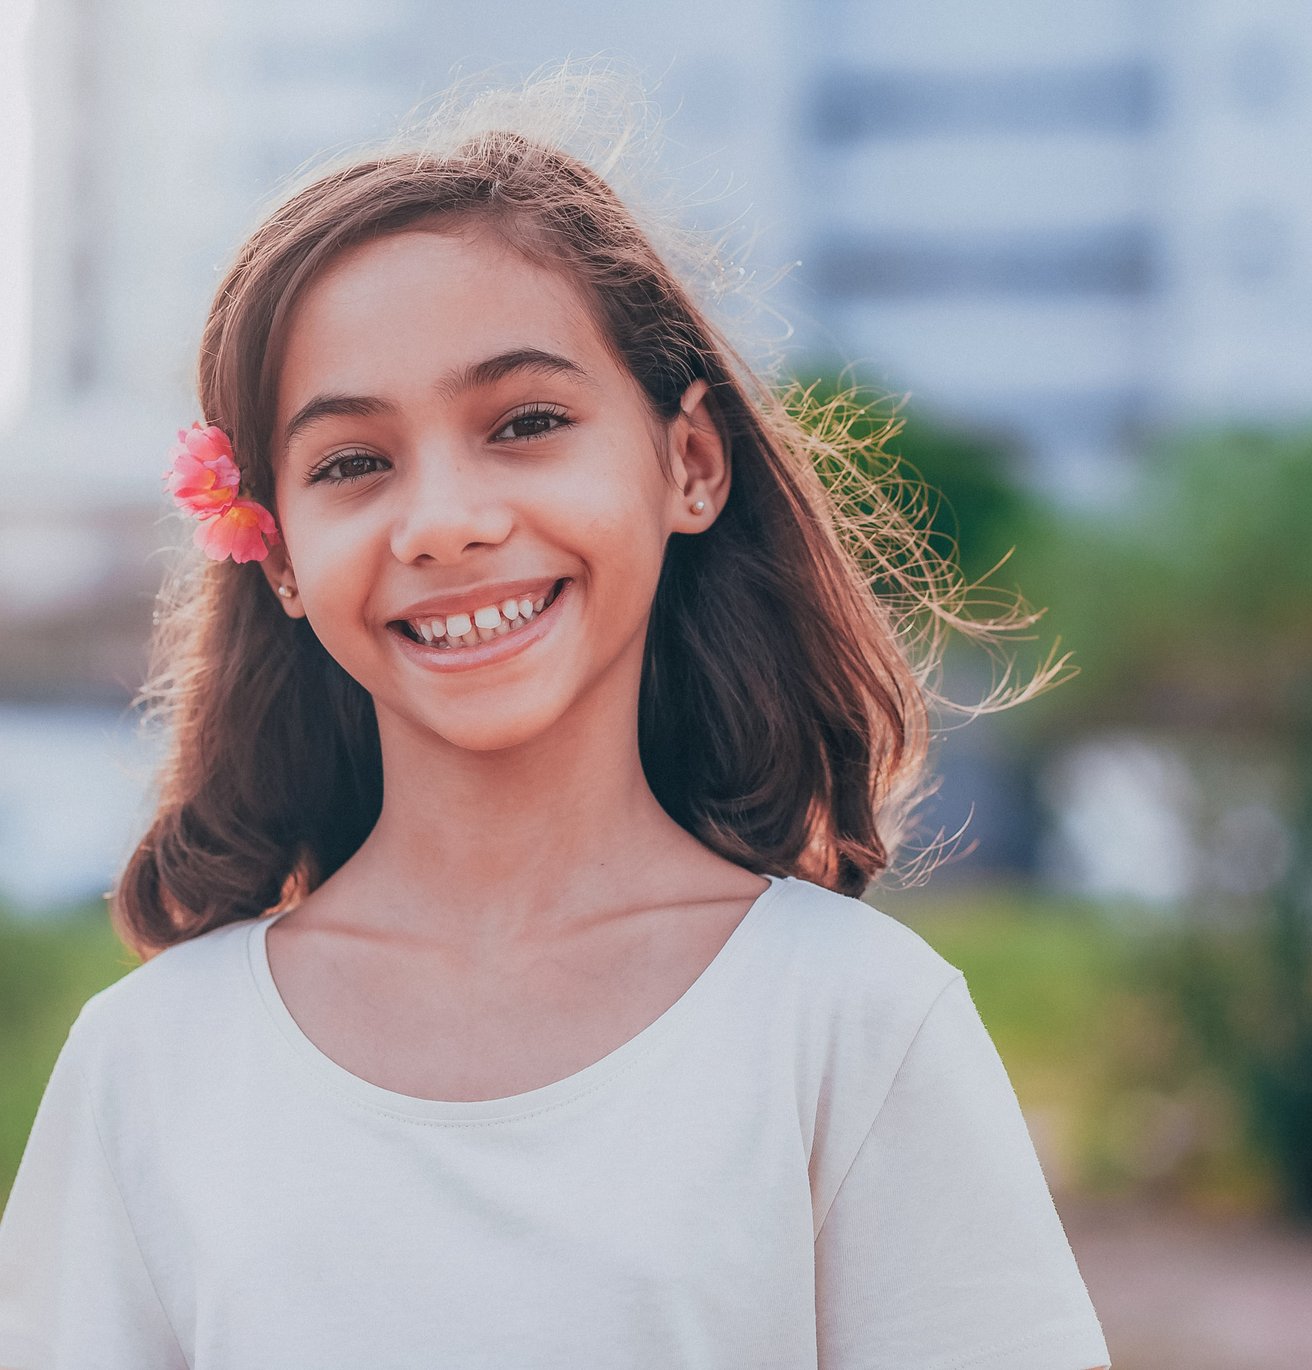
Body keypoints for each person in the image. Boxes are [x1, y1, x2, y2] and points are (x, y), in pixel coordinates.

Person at [0, 67, 1111, 1370]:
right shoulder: (151, 1065)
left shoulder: (853, 1023)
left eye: (525, 422)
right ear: (282, 555)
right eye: (354, 462)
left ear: (688, 462)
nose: (447, 521)